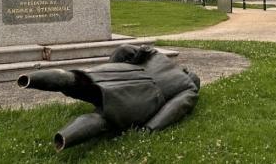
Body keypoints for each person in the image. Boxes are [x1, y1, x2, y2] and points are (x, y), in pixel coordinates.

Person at [17, 44, 200, 151]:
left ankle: (29, 79)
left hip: (121, 74)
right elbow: (175, 109)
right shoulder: (189, 87)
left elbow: (124, 49)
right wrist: (150, 128)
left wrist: (109, 68)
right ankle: (63, 139)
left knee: (76, 80)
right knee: (104, 119)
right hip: (142, 99)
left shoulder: (159, 56)